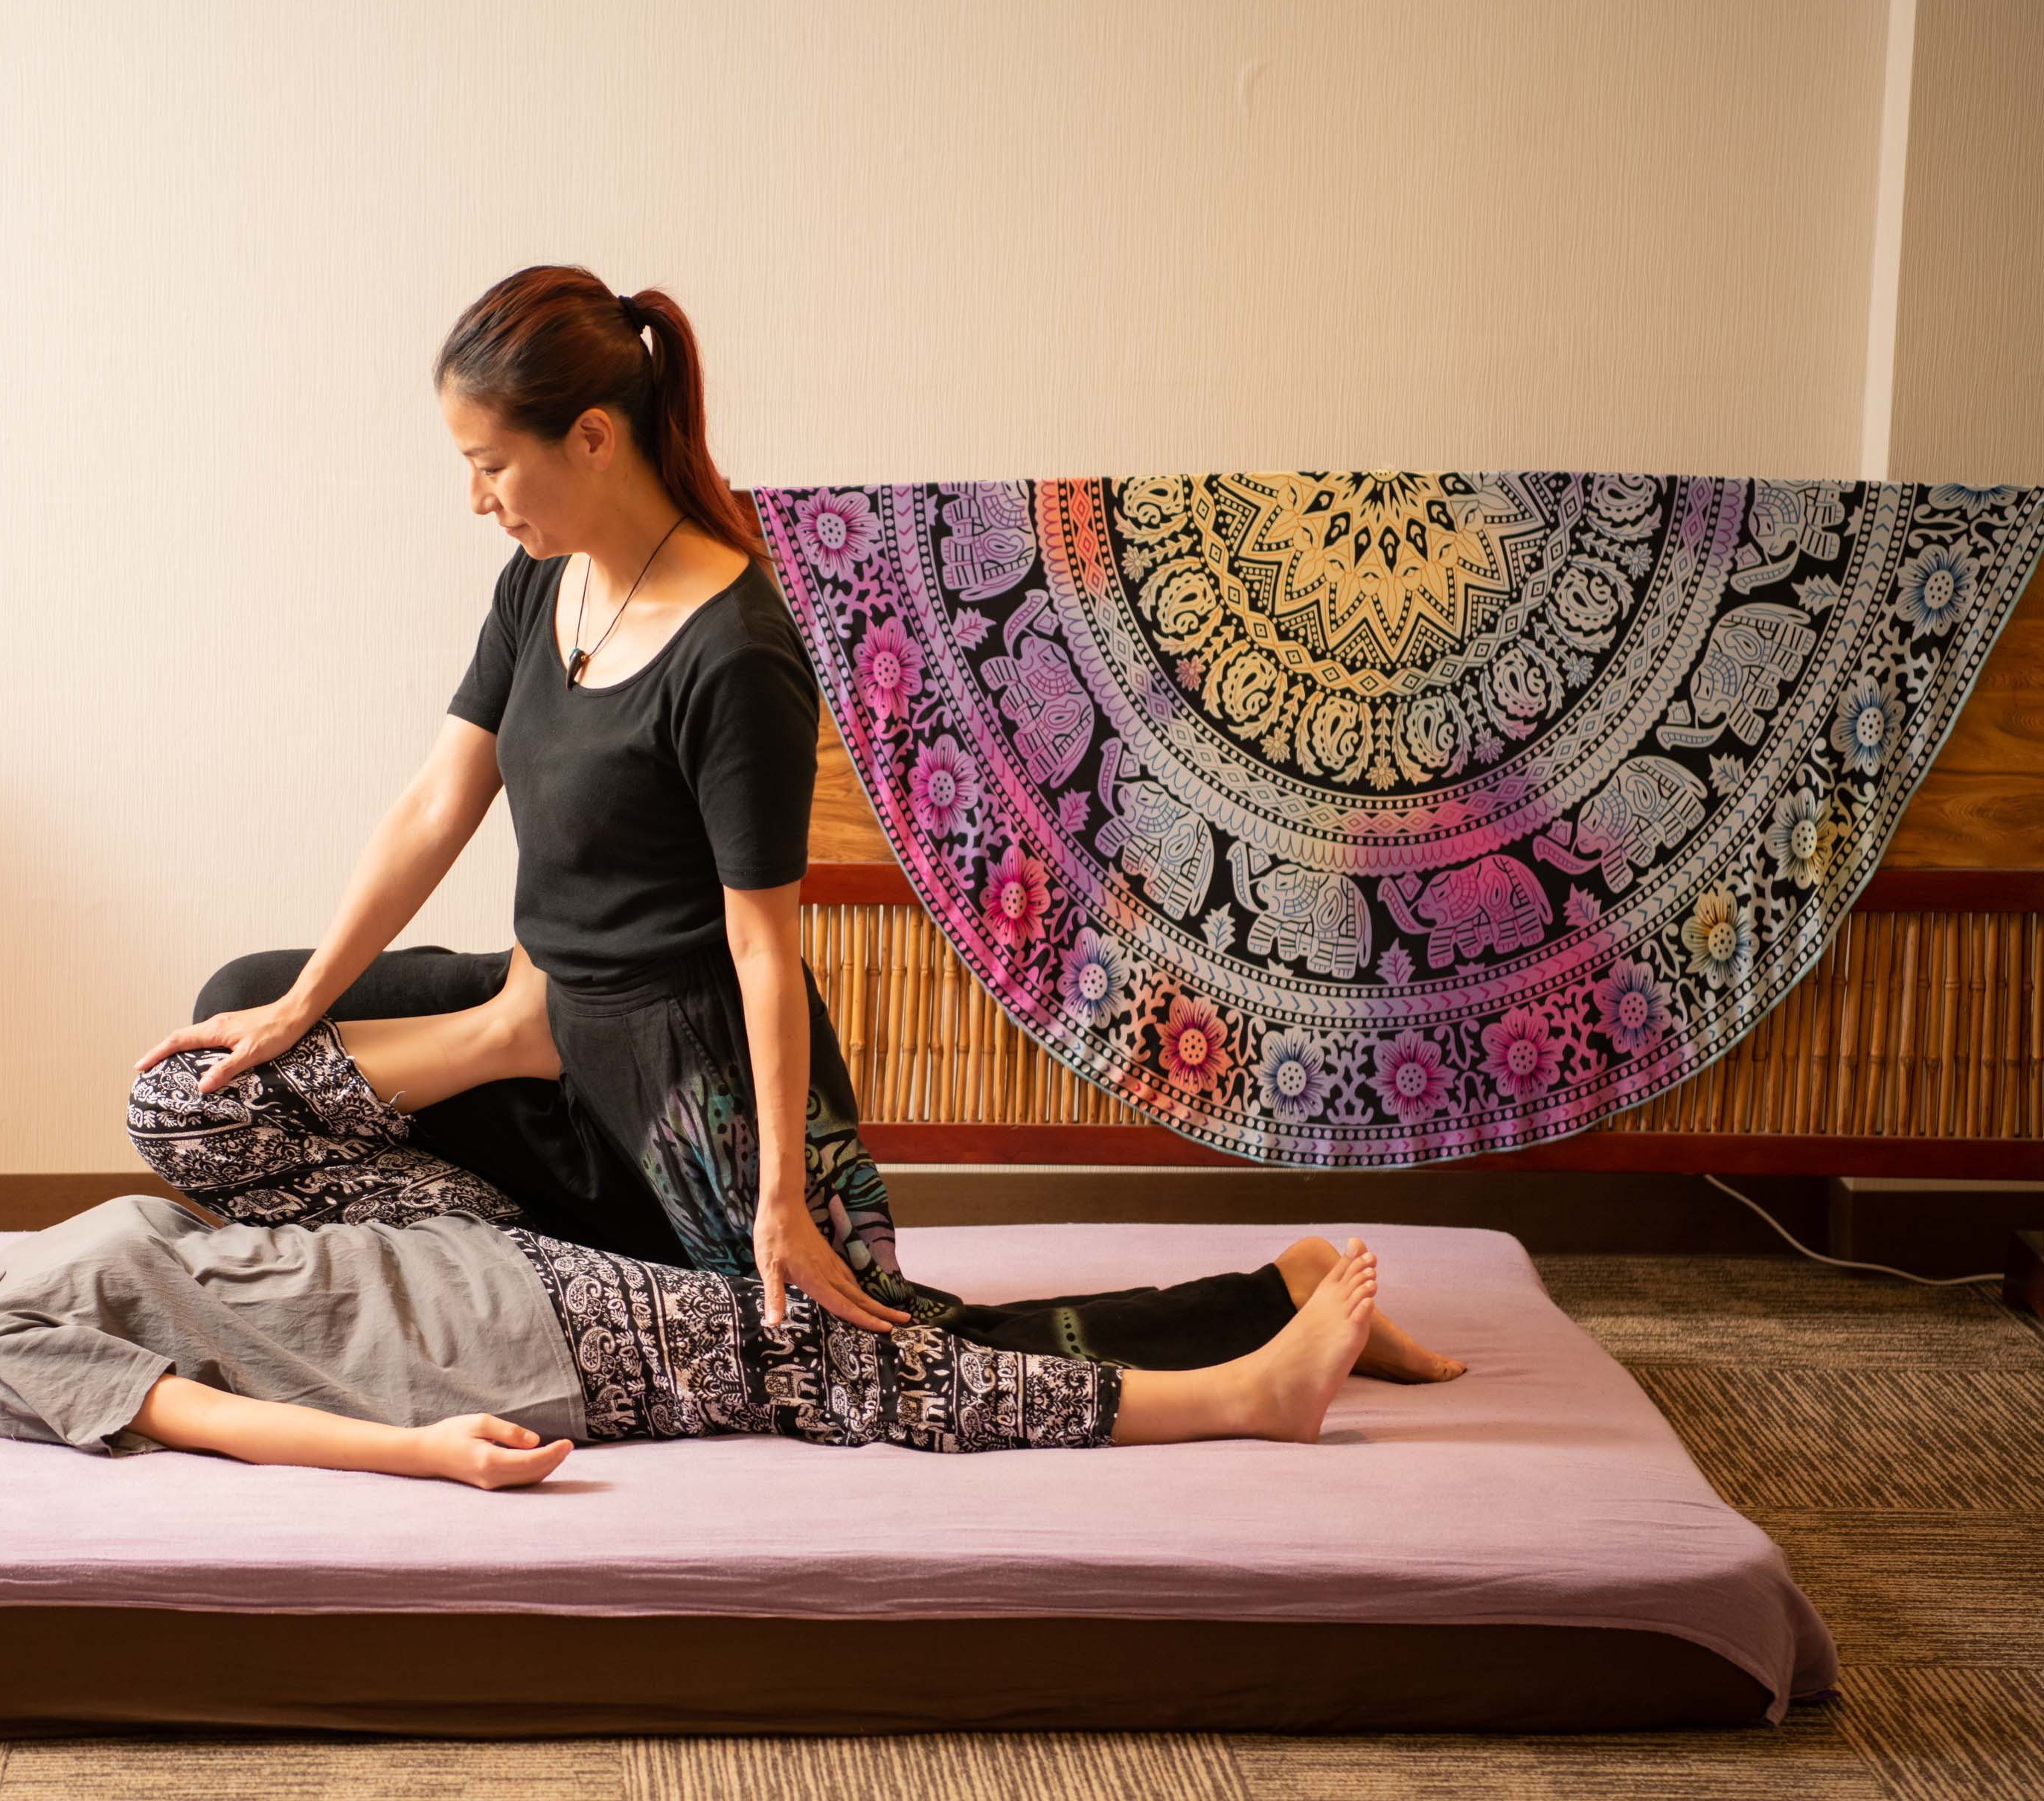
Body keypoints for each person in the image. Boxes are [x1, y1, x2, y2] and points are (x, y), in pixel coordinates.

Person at [139, 263, 1462, 1384]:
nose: (479, 499)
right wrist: (305, 1000)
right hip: (545, 1010)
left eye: (491, 466)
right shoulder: (534, 591)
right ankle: (516, 1110)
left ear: (592, 437)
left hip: (682, 1071)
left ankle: (1269, 1307)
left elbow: (766, 948)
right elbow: (440, 801)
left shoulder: (737, 651)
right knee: (237, 1017)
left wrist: (779, 1192)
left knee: (889, 1350)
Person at [0, 1029, 1404, 1491]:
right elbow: (197, 1415)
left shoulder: (0, 1267)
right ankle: (1239, 1383)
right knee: (857, 1356)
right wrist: (415, 1450)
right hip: (510, 1335)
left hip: (457, 1255)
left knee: (171, 1099)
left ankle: (521, 1019)